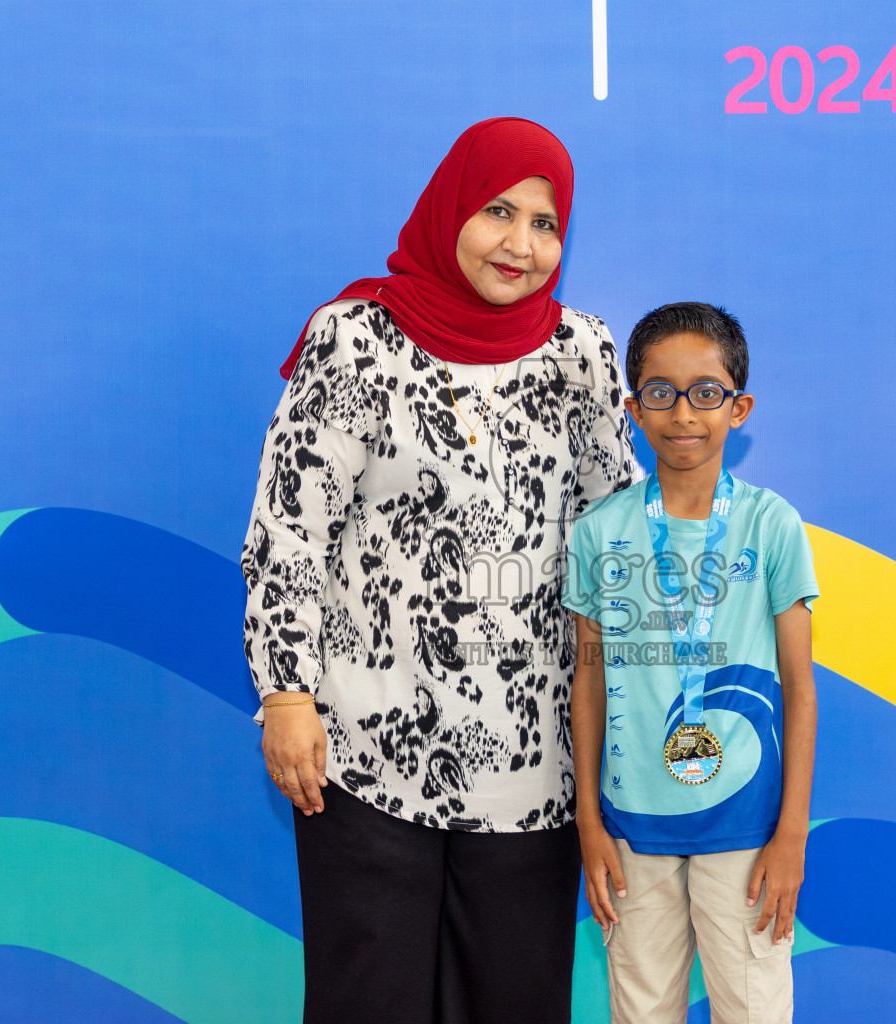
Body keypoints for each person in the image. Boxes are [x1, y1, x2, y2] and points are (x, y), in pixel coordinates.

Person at [241, 117, 637, 1024]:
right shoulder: (355, 339)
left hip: (535, 769)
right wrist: (288, 697)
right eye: (499, 211)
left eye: (546, 224)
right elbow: (287, 532)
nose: (521, 244)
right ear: (451, 204)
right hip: (365, 754)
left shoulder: (581, 352)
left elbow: (610, 542)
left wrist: (624, 721)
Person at [563, 302, 819, 1024]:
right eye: (660, 392)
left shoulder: (771, 524)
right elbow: (587, 681)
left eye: (706, 393)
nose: (683, 413)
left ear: (739, 408)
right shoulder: (600, 531)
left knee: (755, 1010)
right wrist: (588, 822)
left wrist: (791, 834)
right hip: (629, 828)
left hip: (747, 829)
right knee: (640, 1012)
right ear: (633, 408)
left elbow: (799, 688)